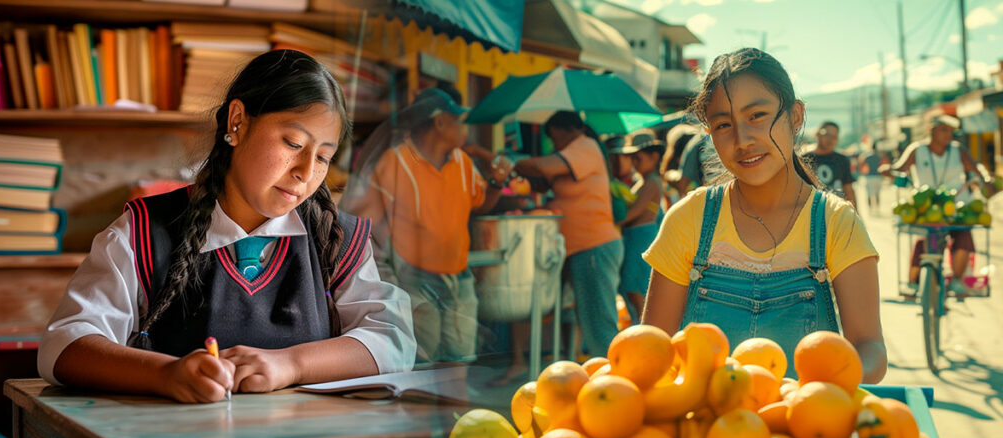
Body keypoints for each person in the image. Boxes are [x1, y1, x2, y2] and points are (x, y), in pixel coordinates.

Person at [38, 50, 416, 403]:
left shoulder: (338, 241)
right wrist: (166, 374)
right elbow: (64, 346)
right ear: (237, 122)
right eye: (292, 143)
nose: (305, 172)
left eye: (323, 157)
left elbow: (393, 339)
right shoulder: (143, 233)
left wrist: (291, 365)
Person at [641, 48, 887, 382]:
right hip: (704, 426)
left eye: (757, 116)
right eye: (724, 124)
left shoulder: (835, 222)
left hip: (804, 425)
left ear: (796, 116)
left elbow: (869, 347)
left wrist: (828, 385)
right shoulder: (689, 218)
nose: (743, 140)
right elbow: (651, 350)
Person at [344, 88, 508, 365]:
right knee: (422, 361)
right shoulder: (396, 162)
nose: (463, 129)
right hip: (415, 281)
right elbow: (368, 225)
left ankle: (456, 406)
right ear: (440, 122)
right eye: (458, 121)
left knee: (461, 359)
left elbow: (481, 204)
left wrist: (496, 183)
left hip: (459, 279)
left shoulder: (463, 163)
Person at [501, 111, 623, 362]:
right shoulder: (575, 154)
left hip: (593, 246)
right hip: (577, 248)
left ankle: (619, 381)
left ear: (568, 131)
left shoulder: (585, 146)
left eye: (555, 140)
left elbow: (541, 166)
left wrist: (508, 161)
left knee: (598, 323)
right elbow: (542, 178)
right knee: (576, 315)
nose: (554, 146)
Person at [882, 114, 993, 295]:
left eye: (950, 131)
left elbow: (976, 169)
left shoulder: (959, 150)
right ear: (931, 130)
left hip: (957, 206)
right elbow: (900, 168)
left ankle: (957, 280)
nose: (948, 134)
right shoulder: (917, 150)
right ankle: (914, 283)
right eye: (943, 130)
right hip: (926, 207)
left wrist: (987, 181)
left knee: (964, 237)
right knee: (924, 241)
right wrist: (888, 170)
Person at [617, 133, 665, 322]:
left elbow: (634, 212)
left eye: (638, 158)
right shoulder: (643, 181)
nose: (635, 163)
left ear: (654, 157)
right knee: (631, 288)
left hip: (641, 238)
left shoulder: (651, 182)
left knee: (636, 289)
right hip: (635, 237)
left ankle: (643, 327)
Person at [802, 121, 857, 209]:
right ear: (817, 135)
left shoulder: (841, 159)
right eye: (827, 135)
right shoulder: (804, 159)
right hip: (812, 210)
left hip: (837, 210)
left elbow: (848, 189)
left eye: (834, 137)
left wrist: (855, 213)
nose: (830, 139)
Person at [860, 146, 885, 213]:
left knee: (869, 193)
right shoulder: (879, 156)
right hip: (878, 176)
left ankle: (870, 209)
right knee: (877, 193)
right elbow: (882, 165)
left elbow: (862, 166)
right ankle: (877, 208)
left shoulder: (867, 157)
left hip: (869, 177)